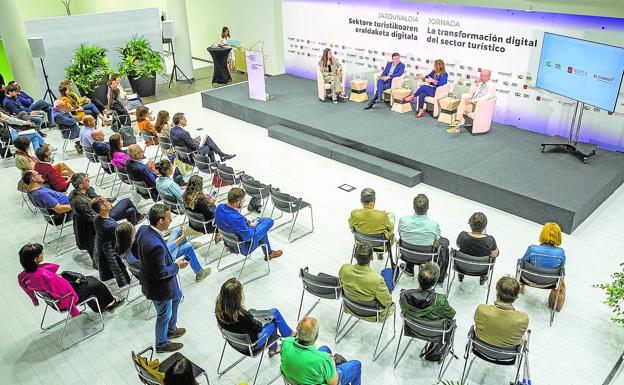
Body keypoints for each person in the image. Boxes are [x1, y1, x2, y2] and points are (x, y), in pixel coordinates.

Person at [131, 205, 189, 352]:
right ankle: (162, 343)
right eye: (169, 218)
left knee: (177, 297)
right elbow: (161, 273)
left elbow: (133, 249)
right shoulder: (156, 245)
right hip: (159, 288)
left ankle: (171, 329)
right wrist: (177, 266)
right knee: (164, 313)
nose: (171, 220)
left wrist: (146, 262)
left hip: (156, 281)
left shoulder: (144, 229)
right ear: (161, 221)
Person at [17, 243, 123, 316]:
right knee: (96, 285)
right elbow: (65, 295)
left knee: (89, 280)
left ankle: (98, 306)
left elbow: (29, 291)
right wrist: (74, 311)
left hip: (54, 300)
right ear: (35, 259)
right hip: (67, 300)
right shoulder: (45, 276)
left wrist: (35, 301)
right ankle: (110, 303)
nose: (43, 254)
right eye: (41, 253)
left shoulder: (23, 276)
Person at [215, 277, 295, 356]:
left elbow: (245, 324)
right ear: (237, 297)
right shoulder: (242, 315)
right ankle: (275, 347)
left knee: (270, 313)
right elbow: (258, 328)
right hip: (252, 345)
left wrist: (252, 318)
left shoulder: (219, 309)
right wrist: (260, 320)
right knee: (273, 319)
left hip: (235, 342)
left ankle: (286, 335)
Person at [281, 317, 362, 385]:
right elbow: (333, 383)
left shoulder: (286, 342)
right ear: (316, 337)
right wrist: (332, 364)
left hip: (295, 379)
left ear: (297, 331)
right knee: (356, 365)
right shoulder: (325, 360)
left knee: (325, 348)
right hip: (317, 380)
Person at [400, 262, 455, 352]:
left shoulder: (404, 295)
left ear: (418, 278)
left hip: (412, 329)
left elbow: (405, 310)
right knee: (451, 324)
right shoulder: (440, 301)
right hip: (434, 334)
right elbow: (451, 315)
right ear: (435, 282)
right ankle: (437, 352)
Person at [215, 188, 282, 260]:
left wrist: (246, 222)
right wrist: (252, 226)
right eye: (243, 200)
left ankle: (269, 253)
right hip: (245, 247)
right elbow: (248, 237)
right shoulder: (237, 219)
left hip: (228, 242)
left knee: (261, 226)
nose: (243, 202)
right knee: (269, 221)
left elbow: (230, 223)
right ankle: (269, 253)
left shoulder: (219, 207)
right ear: (237, 202)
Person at [398, 193, 449, 281]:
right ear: (428, 207)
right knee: (444, 242)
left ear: (413, 207)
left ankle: (409, 267)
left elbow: (400, 235)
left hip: (406, 254)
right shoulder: (434, 225)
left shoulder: (403, 220)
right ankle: (440, 276)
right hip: (426, 257)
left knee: (411, 241)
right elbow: (436, 245)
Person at [339, 243, 394, 321]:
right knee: (388, 272)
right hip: (372, 315)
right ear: (372, 257)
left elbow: (341, 285)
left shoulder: (344, 269)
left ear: (354, 255)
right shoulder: (377, 280)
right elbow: (387, 302)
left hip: (349, 307)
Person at [474, 276, 529, 347]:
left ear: (497, 292)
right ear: (517, 296)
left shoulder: (482, 310)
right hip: (507, 357)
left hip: (480, 349)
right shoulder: (523, 319)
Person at [92, 197, 131, 287]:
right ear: (102, 207)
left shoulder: (97, 218)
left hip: (104, 246)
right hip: (113, 249)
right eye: (106, 202)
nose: (109, 202)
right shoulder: (110, 226)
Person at [348, 188, 395, 262]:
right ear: (375, 200)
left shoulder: (354, 214)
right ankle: (379, 252)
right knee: (392, 215)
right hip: (380, 245)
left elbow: (351, 227)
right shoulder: (382, 215)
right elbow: (391, 228)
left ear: (361, 200)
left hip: (361, 242)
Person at [169, 112, 235, 163]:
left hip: (182, 154)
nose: (186, 120)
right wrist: (198, 141)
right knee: (209, 145)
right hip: (192, 155)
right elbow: (196, 147)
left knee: (208, 142)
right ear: (180, 120)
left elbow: (182, 141)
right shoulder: (184, 133)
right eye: (184, 118)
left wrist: (192, 139)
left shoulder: (172, 130)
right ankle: (218, 159)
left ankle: (219, 159)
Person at [447, 69, 496, 133]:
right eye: (480, 76)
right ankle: (457, 123)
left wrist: (472, 100)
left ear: (487, 76)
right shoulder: (481, 84)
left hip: (480, 107)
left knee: (462, 104)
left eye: (482, 76)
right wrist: (475, 84)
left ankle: (457, 123)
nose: (480, 77)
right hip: (474, 104)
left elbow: (484, 98)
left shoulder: (491, 86)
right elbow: (473, 92)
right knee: (463, 102)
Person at [456, 212, 499, 285]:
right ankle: (483, 277)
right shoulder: (490, 240)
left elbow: (458, 245)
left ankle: (461, 274)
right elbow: (494, 255)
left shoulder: (462, 236)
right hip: (482, 269)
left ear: (470, 224)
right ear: (485, 226)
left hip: (461, 265)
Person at [183, 175, 220, 242]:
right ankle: (219, 234)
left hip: (193, 223)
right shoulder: (200, 201)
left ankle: (218, 234)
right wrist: (211, 203)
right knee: (221, 212)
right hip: (206, 226)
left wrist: (206, 201)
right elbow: (211, 215)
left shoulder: (185, 195)